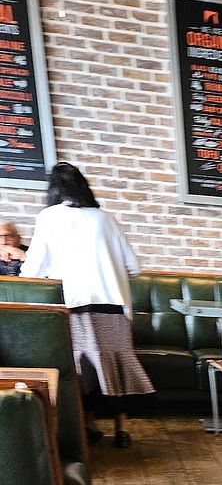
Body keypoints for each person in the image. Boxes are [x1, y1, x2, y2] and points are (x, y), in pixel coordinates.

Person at [21, 162, 153, 447]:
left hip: (74, 305)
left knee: (82, 369)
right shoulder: (106, 219)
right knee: (116, 366)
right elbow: (134, 267)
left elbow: (32, 270)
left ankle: (89, 426)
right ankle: (122, 429)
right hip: (113, 306)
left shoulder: (49, 217)